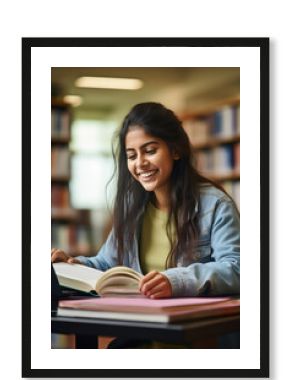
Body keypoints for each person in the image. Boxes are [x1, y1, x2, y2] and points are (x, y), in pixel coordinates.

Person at [52, 102, 240, 346]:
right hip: (146, 334)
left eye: (149, 150)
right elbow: (107, 263)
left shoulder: (215, 205)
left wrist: (176, 281)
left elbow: (237, 269)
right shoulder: (133, 208)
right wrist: (75, 264)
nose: (139, 163)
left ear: (175, 150)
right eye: (131, 155)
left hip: (199, 343)